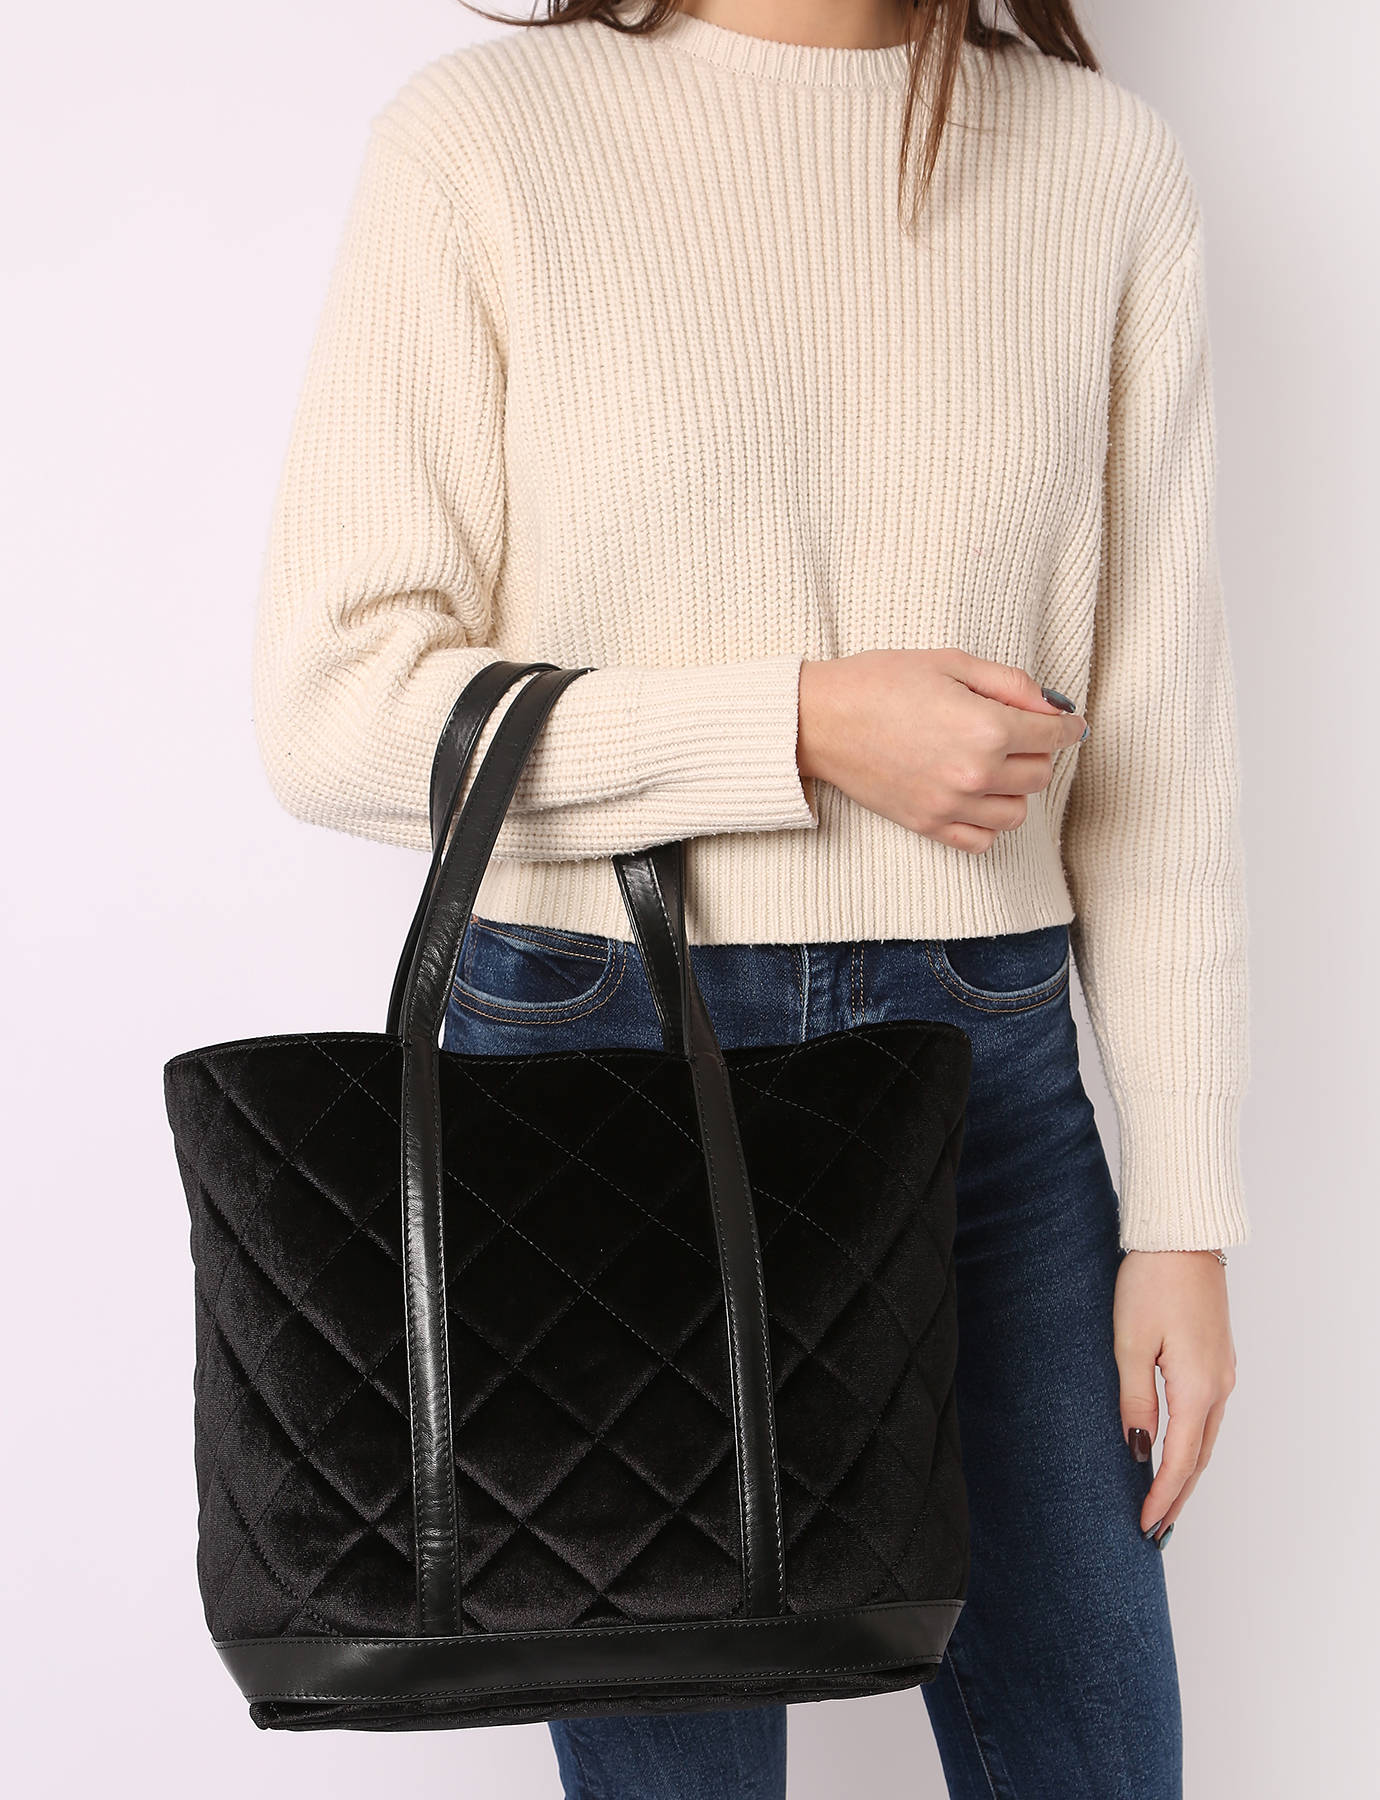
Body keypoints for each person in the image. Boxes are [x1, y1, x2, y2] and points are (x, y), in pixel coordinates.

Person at [250, 2, 1249, 1793]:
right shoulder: (490, 135)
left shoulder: (1097, 164)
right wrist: (795, 724)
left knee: (1098, 1753)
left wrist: (1185, 1216)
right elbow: (333, 709)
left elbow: (1156, 746)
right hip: (595, 1058)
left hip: (991, 1089)